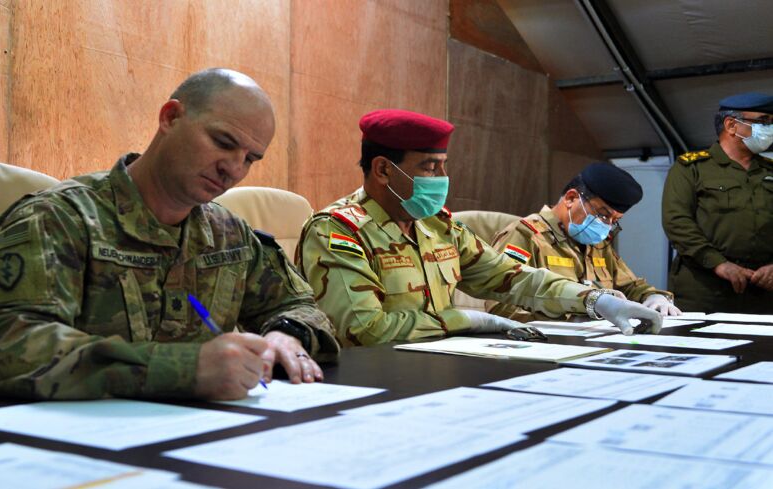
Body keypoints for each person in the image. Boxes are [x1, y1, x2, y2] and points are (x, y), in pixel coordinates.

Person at [0, 68, 339, 401]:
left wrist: (287, 335)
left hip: (197, 439)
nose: (233, 169)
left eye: (250, 159)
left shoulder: (229, 234)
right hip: (78, 445)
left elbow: (301, 306)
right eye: (223, 143)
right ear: (170, 117)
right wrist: (182, 369)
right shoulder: (61, 218)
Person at [295, 109, 662, 347]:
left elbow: (514, 277)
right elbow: (364, 329)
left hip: (440, 370)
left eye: (443, 165)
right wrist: (467, 320)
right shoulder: (338, 231)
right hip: (373, 379)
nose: (442, 178)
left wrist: (596, 301)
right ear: (383, 170)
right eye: (429, 167)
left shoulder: (437, 228)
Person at [488, 162, 679, 321]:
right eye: (603, 215)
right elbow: (500, 305)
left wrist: (654, 298)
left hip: (597, 341)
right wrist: (574, 319)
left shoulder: (597, 244)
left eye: (615, 221)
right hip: (547, 345)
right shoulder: (525, 235)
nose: (606, 226)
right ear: (571, 198)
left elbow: (629, 286)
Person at [662, 92, 773, 313]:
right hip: (705, 290)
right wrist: (718, 263)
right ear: (731, 125)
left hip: (764, 292)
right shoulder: (692, 168)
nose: (769, 129)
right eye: (762, 121)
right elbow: (677, 222)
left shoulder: (769, 170)